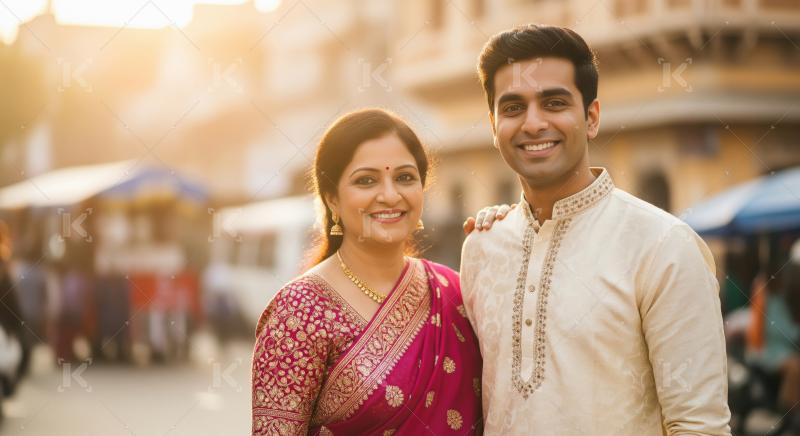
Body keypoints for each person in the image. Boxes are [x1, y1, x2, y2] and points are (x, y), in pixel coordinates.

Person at [460, 25, 731, 435]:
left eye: (554, 103)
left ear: (591, 118)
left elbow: (699, 424)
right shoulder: (482, 247)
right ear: (493, 126)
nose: (533, 124)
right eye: (513, 107)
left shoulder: (662, 245)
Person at [251, 108, 482, 435]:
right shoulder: (298, 312)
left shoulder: (455, 291)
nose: (390, 195)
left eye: (404, 178)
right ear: (332, 199)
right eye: (366, 180)